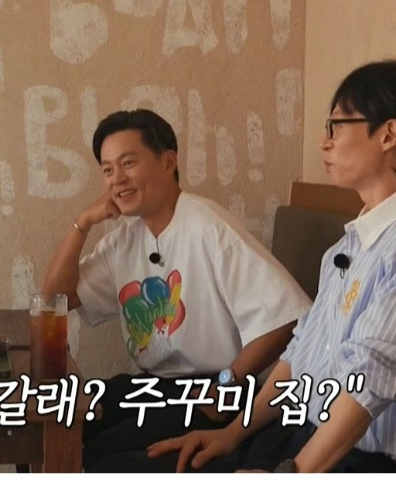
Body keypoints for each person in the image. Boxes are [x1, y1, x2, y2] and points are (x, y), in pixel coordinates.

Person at [150, 61, 396, 474]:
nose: (324, 142)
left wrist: (291, 479)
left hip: (360, 462)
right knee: (141, 460)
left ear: (389, 134)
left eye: (336, 125)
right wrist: (232, 433)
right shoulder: (349, 245)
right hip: (298, 433)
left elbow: (374, 377)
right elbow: (301, 354)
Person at [41, 108, 309, 471]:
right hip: (156, 387)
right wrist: (82, 223)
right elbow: (56, 300)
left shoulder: (209, 227)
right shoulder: (125, 238)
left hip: (210, 392)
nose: (117, 179)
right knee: (60, 420)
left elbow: (288, 319)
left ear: (168, 162)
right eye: (107, 170)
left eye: (128, 163)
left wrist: (227, 382)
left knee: (94, 457)